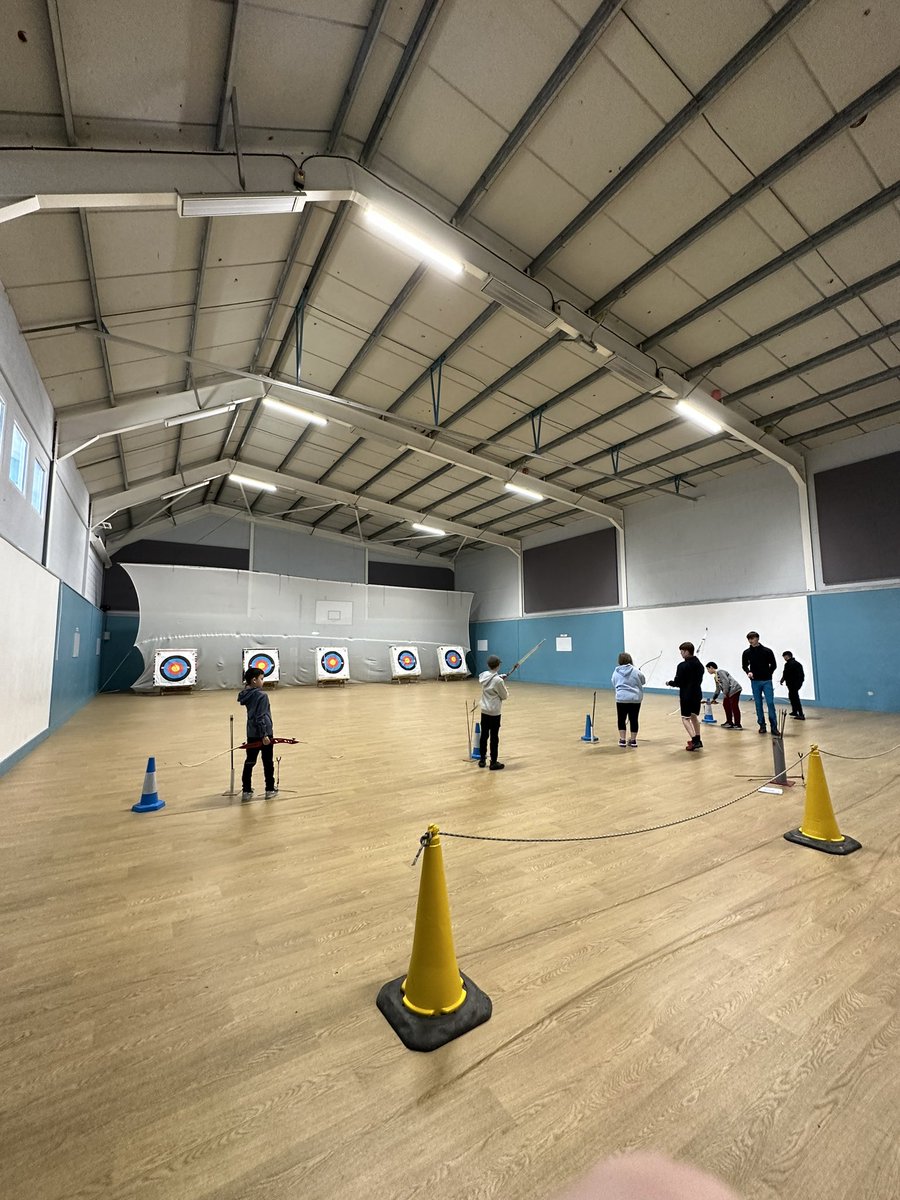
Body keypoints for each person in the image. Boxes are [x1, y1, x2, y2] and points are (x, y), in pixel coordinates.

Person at [237, 666, 277, 800]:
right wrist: (265, 734)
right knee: (267, 761)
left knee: (250, 761)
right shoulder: (261, 695)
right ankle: (270, 789)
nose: (263, 681)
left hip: (251, 732)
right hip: (263, 733)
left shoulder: (246, 694)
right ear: (254, 680)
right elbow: (260, 717)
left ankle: (246, 791)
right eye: (261, 679)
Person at [667, 641, 705, 751]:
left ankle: (694, 740)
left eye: (682, 651)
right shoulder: (700, 665)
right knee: (694, 716)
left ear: (687, 652)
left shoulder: (682, 666)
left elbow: (678, 682)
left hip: (686, 695)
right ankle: (698, 738)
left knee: (685, 718)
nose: (681, 654)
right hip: (697, 693)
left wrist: (670, 683)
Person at [741, 631, 779, 735]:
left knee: (770, 703)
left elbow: (774, 665)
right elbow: (744, 665)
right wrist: (748, 672)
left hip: (767, 681)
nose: (750, 641)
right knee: (758, 704)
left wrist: (768, 674)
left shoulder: (767, 651)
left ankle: (774, 727)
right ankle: (762, 725)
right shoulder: (746, 653)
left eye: (752, 638)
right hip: (755, 682)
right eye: (749, 639)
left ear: (757, 638)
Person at [478, 654, 509, 770]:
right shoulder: (498, 681)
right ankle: (493, 762)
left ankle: (482, 760)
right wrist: (502, 683)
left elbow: (492, 679)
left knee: (484, 735)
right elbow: (504, 696)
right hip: (494, 713)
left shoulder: (484, 675)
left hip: (484, 711)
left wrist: (500, 677)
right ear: (498, 665)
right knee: (494, 737)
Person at [611, 652, 645, 747]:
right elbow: (643, 681)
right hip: (635, 699)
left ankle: (622, 740)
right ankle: (633, 740)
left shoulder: (616, 671)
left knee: (621, 719)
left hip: (621, 698)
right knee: (634, 719)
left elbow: (614, 682)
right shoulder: (636, 671)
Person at [705, 661, 742, 729]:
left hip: (734, 689)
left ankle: (737, 724)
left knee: (734, 706)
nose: (708, 671)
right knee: (726, 705)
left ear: (711, 667)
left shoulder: (720, 671)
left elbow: (726, 683)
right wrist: (714, 698)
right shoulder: (715, 677)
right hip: (729, 692)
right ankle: (729, 722)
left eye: (708, 669)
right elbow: (718, 689)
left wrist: (725, 694)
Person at [781, 650, 806, 720]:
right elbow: (802, 675)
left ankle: (801, 714)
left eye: (784, 656)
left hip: (792, 684)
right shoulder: (798, 663)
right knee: (792, 697)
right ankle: (795, 711)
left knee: (795, 698)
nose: (784, 658)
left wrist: (782, 680)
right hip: (797, 683)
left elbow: (785, 673)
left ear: (787, 656)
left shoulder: (788, 664)